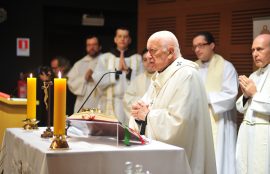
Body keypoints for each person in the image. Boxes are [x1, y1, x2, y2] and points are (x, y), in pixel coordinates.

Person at [130, 30, 216, 174]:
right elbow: (144, 105)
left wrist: (147, 116)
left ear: (170, 52)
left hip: (182, 160)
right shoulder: (161, 73)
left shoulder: (187, 75)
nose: (149, 57)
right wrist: (137, 110)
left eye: (153, 51)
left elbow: (180, 123)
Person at [192, 31, 238, 174]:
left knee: (218, 159)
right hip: (196, 119)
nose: (197, 49)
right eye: (195, 46)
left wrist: (204, 97)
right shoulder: (192, 68)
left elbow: (231, 95)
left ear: (212, 45)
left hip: (219, 121)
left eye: (201, 45)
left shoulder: (226, 67)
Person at [92, 27, 143, 124]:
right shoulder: (105, 58)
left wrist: (128, 72)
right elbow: (97, 78)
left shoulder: (137, 58)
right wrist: (116, 73)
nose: (122, 39)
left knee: (127, 135)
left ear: (129, 40)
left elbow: (141, 81)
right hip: (110, 103)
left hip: (130, 103)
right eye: (120, 36)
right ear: (115, 39)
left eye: (125, 37)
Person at [235, 34, 270, 174]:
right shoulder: (253, 76)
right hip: (247, 134)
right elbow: (240, 108)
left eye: (259, 49)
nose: (255, 54)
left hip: (265, 134)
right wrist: (245, 95)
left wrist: (254, 94)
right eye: (253, 50)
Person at [67, 35, 102, 113]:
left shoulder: (107, 61)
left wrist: (96, 76)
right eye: (89, 45)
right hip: (83, 103)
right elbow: (71, 83)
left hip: (100, 102)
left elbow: (112, 79)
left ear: (100, 46)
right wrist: (84, 78)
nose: (91, 47)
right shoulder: (79, 64)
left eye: (94, 45)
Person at [123, 48, 155, 125]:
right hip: (140, 118)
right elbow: (127, 99)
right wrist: (141, 105)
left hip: (155, 118)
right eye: (144, 60)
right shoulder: (138, 79)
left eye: (150, 59)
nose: (148, 62)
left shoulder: (162, 77)